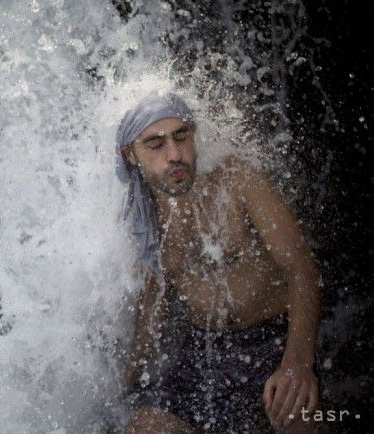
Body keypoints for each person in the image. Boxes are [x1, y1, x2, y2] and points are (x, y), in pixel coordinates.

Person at [116, 93, 322, 433]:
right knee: (143, 427)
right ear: (131, 154)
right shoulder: (143, 219)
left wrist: (297, 363)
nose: (175, 155)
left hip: (273, 340)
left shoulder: (237, 179)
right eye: (155, 144)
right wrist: (125, 378)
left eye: (181, 136)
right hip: (203, 353)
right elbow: (153, 307)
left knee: (301, 423)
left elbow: (303, 269)